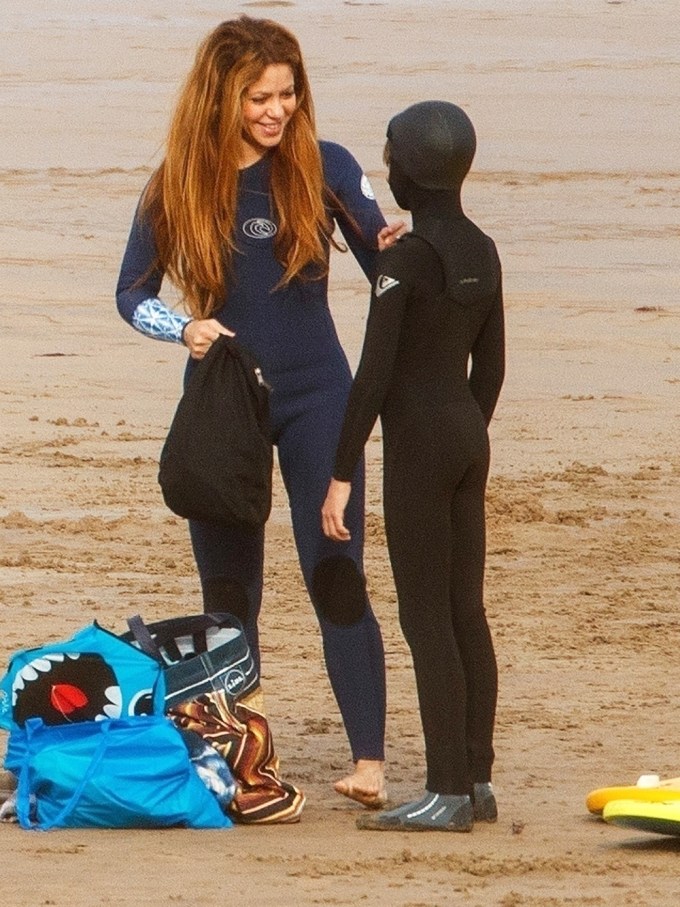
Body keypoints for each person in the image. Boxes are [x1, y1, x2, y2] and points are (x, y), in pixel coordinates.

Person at [116, 16, 403, 807]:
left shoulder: (326, 166)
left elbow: (388, 268)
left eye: (287, 93)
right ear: (222, 96)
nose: (277, 110)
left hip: (320, 395)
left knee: (334, 570)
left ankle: (369, 762)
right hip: (225, 405)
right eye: (258, 97)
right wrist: (187, 328)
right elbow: (129, 294)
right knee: (229, 591)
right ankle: (245, 758)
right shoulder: (180, 180)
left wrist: (405, 243)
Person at [322, 100, 505, 831]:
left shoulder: (403, 261)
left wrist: (341, 471)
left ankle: (445, 790)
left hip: (422, 450)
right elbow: (490, 367)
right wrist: (466, 434)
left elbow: (372, 376)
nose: (386, 163)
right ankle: (478, 779)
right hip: (467, 437)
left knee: (424, 617)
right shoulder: (482, 249)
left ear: (414, 171)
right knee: (466, 611)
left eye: (391, 153)